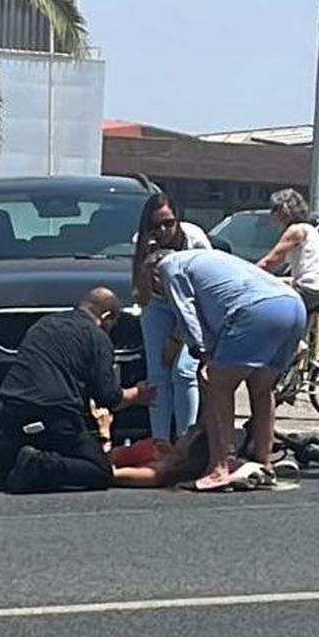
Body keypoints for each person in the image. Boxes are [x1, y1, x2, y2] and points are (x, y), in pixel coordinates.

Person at [145, 248, 305, 492]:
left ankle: (219, 467)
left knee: (213, 382)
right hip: (292, 305)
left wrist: (201, 352)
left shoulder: (169, 267)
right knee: (262, 389)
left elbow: (186, 312)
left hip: (255, 310)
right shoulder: (204, 259)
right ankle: (263, 463)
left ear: (155, 276)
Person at [0, 287, 151, 494]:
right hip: (56, 413)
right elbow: (108, 397)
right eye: (113, 323)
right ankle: (40, 465)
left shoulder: (44, 325)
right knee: (100, 471)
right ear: (106, 316)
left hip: (12, 407)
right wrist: (137, 394)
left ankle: (4, 456)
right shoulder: (97, 337)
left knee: (16, 447)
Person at [132, 191, 212, 450]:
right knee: (158, 374)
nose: (163, 230)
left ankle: (185, 443)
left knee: (183, 370)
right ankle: (161, 444)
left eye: (169, 223)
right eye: (156, 225)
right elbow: (142, 298)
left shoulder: (194, 240)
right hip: (158, 304)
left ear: (178, 219)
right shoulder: (143, 242)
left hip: (194, 306)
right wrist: (146, 265)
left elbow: (203, 292)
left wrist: (176, 339)